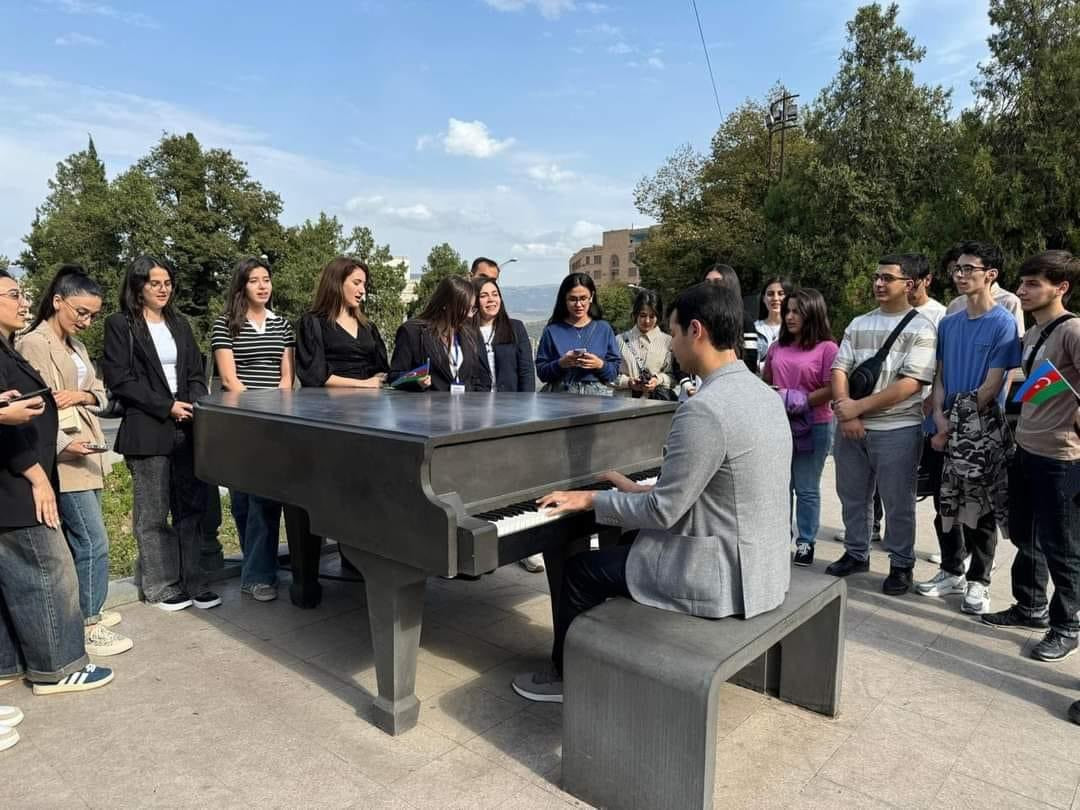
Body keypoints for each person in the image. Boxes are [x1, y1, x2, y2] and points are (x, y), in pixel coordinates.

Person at [511, 281, 792, 702]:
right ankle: (610, 654)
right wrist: (633, 488)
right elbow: (717, 486)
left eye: (674, 332)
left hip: (719, 576)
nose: (672, 344)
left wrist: (590, 498)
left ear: (696, 330)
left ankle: (568, 680)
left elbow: (663, 513)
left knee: (580, 571)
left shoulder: (704, 408)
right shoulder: (762, 394)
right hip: (763, 566)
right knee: (626, 544)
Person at [0, 268, 113, 702]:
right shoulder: (27, 344)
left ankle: (10, 664)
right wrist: (36, 475)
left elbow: (97, 392)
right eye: (13, 294)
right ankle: (58, 667)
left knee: (18, 575)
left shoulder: (9, 348)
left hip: (27, 471)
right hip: (20, 478)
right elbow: (13, 426)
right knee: (48, 570)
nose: (23, 302)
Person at [17, 265, 133, 655]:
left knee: (83, 538)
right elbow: (38, 406)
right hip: (63, 455)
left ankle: (85, 610)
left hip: (88, 451)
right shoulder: (34, 344)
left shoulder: (77, 346)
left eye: (92, 315)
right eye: (80, 312)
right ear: (57, 301)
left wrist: (81, 396)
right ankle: (88, 623)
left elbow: (101, 394)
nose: (86, 321)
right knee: (92, 540)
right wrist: (63, 445)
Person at [101, 255, 219, 612]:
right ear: (138, 286)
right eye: (155, 283)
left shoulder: (180, 324)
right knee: (152, 514)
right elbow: (121, 379)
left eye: (167, 283)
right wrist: (167, 406)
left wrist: (194, 403)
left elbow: (196, 372)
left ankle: (194, 581)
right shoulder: (120, 325)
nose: (163, 289)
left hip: (186, 426)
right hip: (147, 428)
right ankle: (160, 585)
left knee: (190, 509)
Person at [983, 251, 1080, 680]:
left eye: (1034, 284)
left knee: (1063, 546)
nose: (1022, 290)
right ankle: (1030, 605)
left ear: (1061, 287)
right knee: (1026, 534)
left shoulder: (1073, 330)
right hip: (1028, 450)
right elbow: (1049, 386)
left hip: (1063, 459)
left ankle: (1067, 625)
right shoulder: (1037, 332)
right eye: (1022, 283)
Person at [914, 241, 1021, 615]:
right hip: (943, 426)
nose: (960, 275)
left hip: (980, 431)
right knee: (943, 503)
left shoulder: (1004, 323)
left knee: (980, 509)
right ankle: (950, 570)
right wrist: (939, 418)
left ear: (990, 275)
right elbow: (940, 377)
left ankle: (979, 581)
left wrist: (952, 426)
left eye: (969, 269)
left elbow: (992, 387)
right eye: (957, 269)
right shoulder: (949, 323)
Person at [827, 253, 937, 595]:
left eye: (887, 278)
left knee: (897, 502)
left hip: (897, 428)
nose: (878, 283)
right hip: (851, 427)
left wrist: (855, 408)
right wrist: (849, 414)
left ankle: (901, 564)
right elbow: (839, 368)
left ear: (910, 284)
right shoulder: (859, 323)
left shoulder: (922, 326)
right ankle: (856, 553)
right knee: (852, 496)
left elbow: (911, 384)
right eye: (876, 277)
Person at [210, 257, 295, 603]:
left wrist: (276, 413)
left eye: (266, 279)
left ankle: (259, 575)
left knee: (264, 497)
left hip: (274, 422)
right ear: (241, 286)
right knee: (243, 500)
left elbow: (286, 378)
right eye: (254, 280)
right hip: (239, 421)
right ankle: (257, 567)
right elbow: (229, 379)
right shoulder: (225, 325)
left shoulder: (282, 325)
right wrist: (257, 410)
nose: (262, 286)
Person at [762, 288, 838, 567]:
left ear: (812, 313)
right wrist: (777, 396)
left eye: (797, 311)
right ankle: (779, 538)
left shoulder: (827, 348)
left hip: (815, 424)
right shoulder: (776, 347)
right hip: (779, 424)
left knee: (806, 487)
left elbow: (833, 387)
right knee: (781, 486)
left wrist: (800, 399)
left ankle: (806, 541)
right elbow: (766, 381)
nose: (790, 316)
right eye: (788, 311)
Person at [471, 275, 542, 572]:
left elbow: (526, 372)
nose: (491, 300)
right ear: (474, 301)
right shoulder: (465, 331)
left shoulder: (515, 328)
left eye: (495, 294)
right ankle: (486, 545)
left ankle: (528, 548)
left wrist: (526, 411)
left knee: (519, 478)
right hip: (477, 417)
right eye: (484, 295)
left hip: (511, 415)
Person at [296, 257, 389, 390]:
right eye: (356, 283)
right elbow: (313, 375)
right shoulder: (312, 323)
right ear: (337, 283)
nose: (362, 290)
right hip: (327, 401)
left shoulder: (369, 327)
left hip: (368, 400)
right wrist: (363, 384)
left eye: (364, 285)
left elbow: (382, 370)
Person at [390, 275, 491, 392]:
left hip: (465, 403)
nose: (470, 315)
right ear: (446, 305)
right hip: (428, 403)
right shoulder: (412, 332)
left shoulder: (471, 334)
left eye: (472, 309)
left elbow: (482, 380)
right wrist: (416, 381)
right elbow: (395, 377)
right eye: (465, 308)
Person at [535, 273, 620, 396]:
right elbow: (542, 373)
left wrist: (599, 364)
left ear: (591, 297)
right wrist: (560, 364)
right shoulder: (552, 331)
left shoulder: (604, 329)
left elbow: (614, 373)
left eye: (583, 298)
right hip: (560, 398)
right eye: (573, 299)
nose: (578, 305)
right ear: (564, 299)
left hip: (596, 399)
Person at [614, 288, 674, 399]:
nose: (647, 321)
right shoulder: (619, 340)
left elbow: (674, 376)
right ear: (635, 314)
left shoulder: (668, 341)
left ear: (658, 317)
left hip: (656, 404)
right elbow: (607, 375)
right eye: (643, 315)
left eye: (652, 316)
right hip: (623, 404)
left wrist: (658, 379)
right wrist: (628, 382)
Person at [701, 264, 759, 374]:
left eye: (718, 282)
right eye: (707, 282)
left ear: (730, 284)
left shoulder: (744, 320)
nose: (711, 286)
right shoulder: (696, 317)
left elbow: (750, 361)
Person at [754, 277, 792, 362]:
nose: (775, 298)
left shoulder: (795, 330)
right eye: (770, 294)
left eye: (781, 294)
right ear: (763, 298)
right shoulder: (754, 328)